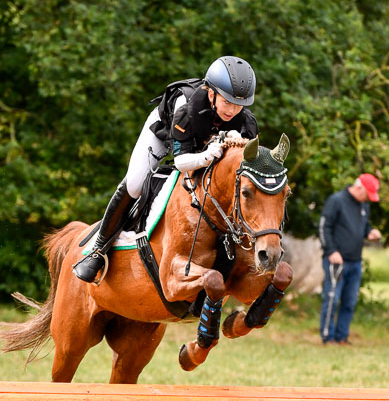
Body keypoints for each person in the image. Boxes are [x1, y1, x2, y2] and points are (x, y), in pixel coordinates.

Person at [73, 56, 258, 283]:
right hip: (163, 133)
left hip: (201, 146)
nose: (232, 110)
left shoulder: (246, 123)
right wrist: (206, 156)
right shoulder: (186, 108)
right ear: (211, 94)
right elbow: (181, 162)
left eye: (239, 105)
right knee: (135, 184)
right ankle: (98, 249)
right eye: (227, 102)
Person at [318, 173, 381, 344]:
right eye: (367, 195)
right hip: (336, 261)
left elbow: (364, 226)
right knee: (332, 299)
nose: (368, 199)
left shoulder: (364, 205)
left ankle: (342, 336)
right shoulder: (336, 200)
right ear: (359, 187)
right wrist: (331, 251)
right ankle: (328, 336)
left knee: (350, 301)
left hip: (356, 261)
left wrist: (370, 233)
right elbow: (324, 227)